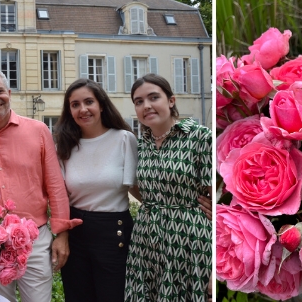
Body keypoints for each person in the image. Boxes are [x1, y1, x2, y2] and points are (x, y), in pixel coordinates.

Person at [0, 68, 82, 302]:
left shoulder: (38, 131)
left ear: (9, 92)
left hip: (35, 241)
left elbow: (55, 185)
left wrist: (62, 234)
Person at [125, 74, 212, 301]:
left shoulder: (199, 138)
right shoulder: (140, 144)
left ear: (171, 101)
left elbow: (223, 196)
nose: (147, 106)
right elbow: (137, 187)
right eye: (139, 101)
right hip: (146, 242)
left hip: (189, 242)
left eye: (154, 97)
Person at [53, 79, 138, 302]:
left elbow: (139, 189)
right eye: (75, 104)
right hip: (76, 231)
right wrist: (60, 234)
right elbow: (59, 195)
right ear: (69, 110)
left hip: (114, 231)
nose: (83, 109)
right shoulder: (64, 146)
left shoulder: (124, 139)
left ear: (101, 104)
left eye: (89, 102)